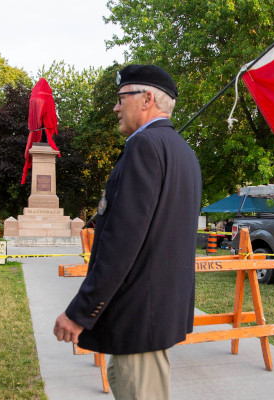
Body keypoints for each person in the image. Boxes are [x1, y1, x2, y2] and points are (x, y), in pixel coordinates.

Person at [53, 65, 201, 399]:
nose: (116, 107)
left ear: (147, 99)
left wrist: (80, 312)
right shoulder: (182, 151)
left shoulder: (144, 147)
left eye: (122, 98)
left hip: (137, 315)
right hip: (154, 312)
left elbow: (121, 244)